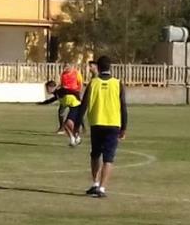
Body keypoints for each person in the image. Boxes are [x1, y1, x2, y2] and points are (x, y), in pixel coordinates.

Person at [75, 56, 126, 198]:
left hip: (97, 123)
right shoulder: (117, 83)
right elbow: (123, 107)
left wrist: (77, 125)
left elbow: (83, 105)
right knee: (108, 158)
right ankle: (101, 188)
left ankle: (95, 183)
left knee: (95, 155)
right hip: (113, 124)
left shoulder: (93, 83)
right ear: (110, 67)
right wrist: (124, 127)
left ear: (98, 67)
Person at [38, 79, 82, 147]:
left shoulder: (60, 91)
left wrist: (78, 97)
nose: (47, 90)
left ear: (51, 88)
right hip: (73, 106)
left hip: (76, 106)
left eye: (47, 88)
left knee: (67, 124)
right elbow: (52, 100)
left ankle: (74, 139)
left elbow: (71, 91)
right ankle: (75, 138)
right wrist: (42, 103)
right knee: (67, 125)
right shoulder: (57, 93)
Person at [57, 63, 83, 133]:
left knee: (76, 111)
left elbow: (80, 83)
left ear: (71, 66)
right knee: (61, 111)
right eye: (64, 67)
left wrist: (79, 92)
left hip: (74, 95)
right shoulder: (63, 74)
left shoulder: (76, 73)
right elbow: (62, 84)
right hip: (66, 95)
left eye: (67, 67)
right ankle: (61, 127)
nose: (65, 68)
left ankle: (79, 127)